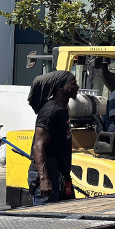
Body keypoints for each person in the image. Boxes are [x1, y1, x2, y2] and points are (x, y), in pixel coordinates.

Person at [27, 70, 79, 205]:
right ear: (61, 87)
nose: (77, 87)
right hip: (48, 177)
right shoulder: (51, 111)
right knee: (47, 217)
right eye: (73, 83)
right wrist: (44, 179)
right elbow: (38, 146)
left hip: (60, 176)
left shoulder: (62, 110)